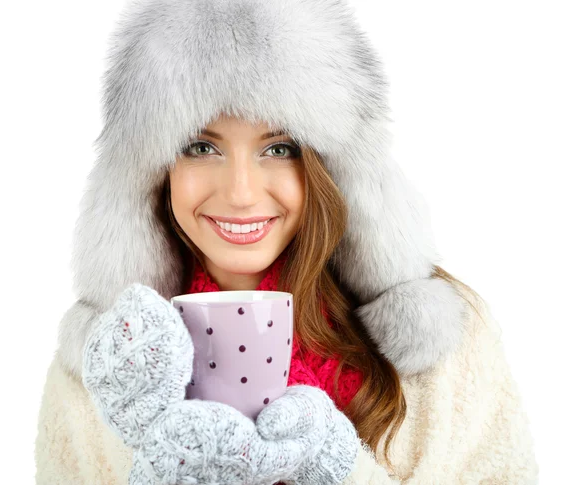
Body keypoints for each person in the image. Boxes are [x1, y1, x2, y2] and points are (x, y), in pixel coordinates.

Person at [34, 0, 539, 483]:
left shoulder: (447, 346)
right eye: (200, 146)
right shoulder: (105, 371)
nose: (240, 193)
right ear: (154, 172)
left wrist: (340, 472)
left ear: (330, 166)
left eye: (278, 148)